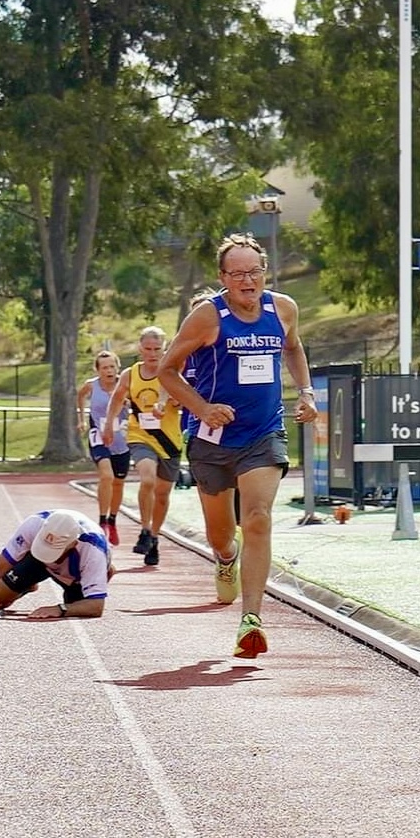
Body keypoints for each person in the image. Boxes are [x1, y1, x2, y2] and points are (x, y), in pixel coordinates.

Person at [158, 234, 318, 659]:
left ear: (265, 270)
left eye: (255, 271)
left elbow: (294, 348)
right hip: (212, 440)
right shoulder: (206, 318)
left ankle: (252, 618)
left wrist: (306, 393)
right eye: (238, 274)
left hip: (263, 433)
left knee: (259, 518)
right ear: (222, 278)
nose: (248, 281)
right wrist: (204, 409)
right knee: (221, 534)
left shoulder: (283, 309)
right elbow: (167, 371)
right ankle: (226, 557)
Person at [104, 327, 181, 567]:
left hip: (169, 440)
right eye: (147, 349)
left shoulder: (172, 371)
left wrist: (170, 401)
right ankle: (145, 528)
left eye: (157, 349)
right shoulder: (130, 374)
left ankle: (154, 538)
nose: (152, 354)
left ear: (164, 348)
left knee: (162, 494)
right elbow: (117, 399)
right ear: (140, 349)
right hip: (140, 436)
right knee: (147, 479)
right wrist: (108, 425)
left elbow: (178, 397)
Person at [0, 509, 112, 619]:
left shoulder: (93, 549)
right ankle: (29, 584)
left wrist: (60, 609)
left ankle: (104, 573)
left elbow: (96, 607)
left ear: (73, 544)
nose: (50, 556)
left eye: (55, 551)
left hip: (76, 575)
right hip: (38, 561)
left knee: (80, 610)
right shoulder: (34, 524)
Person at [77, 349, 131, 544]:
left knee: (118, 482)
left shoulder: (125, 385)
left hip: (121, 438)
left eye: (112, 366)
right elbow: (80, 395)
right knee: (106, 476)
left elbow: (138, 404)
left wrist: (129, 403)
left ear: (118, 368)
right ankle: (101, 521)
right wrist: (81, 418)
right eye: (104, 367)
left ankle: (112, 520)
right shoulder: (91, 386)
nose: (109, 371)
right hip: (98, 435)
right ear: (98, 370)